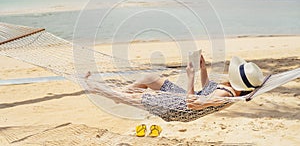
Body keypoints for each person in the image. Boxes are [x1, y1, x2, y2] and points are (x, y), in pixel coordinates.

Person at [85, 55, 265, 122]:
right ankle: (121, 94)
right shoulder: (231, 91)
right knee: (150, 78)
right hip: (184, 101)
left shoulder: (224, 95)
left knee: (139, 98)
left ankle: (99, 90)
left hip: (181, 109)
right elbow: (207, 88)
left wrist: (190, 77)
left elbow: (191, 104)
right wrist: (203, 69)